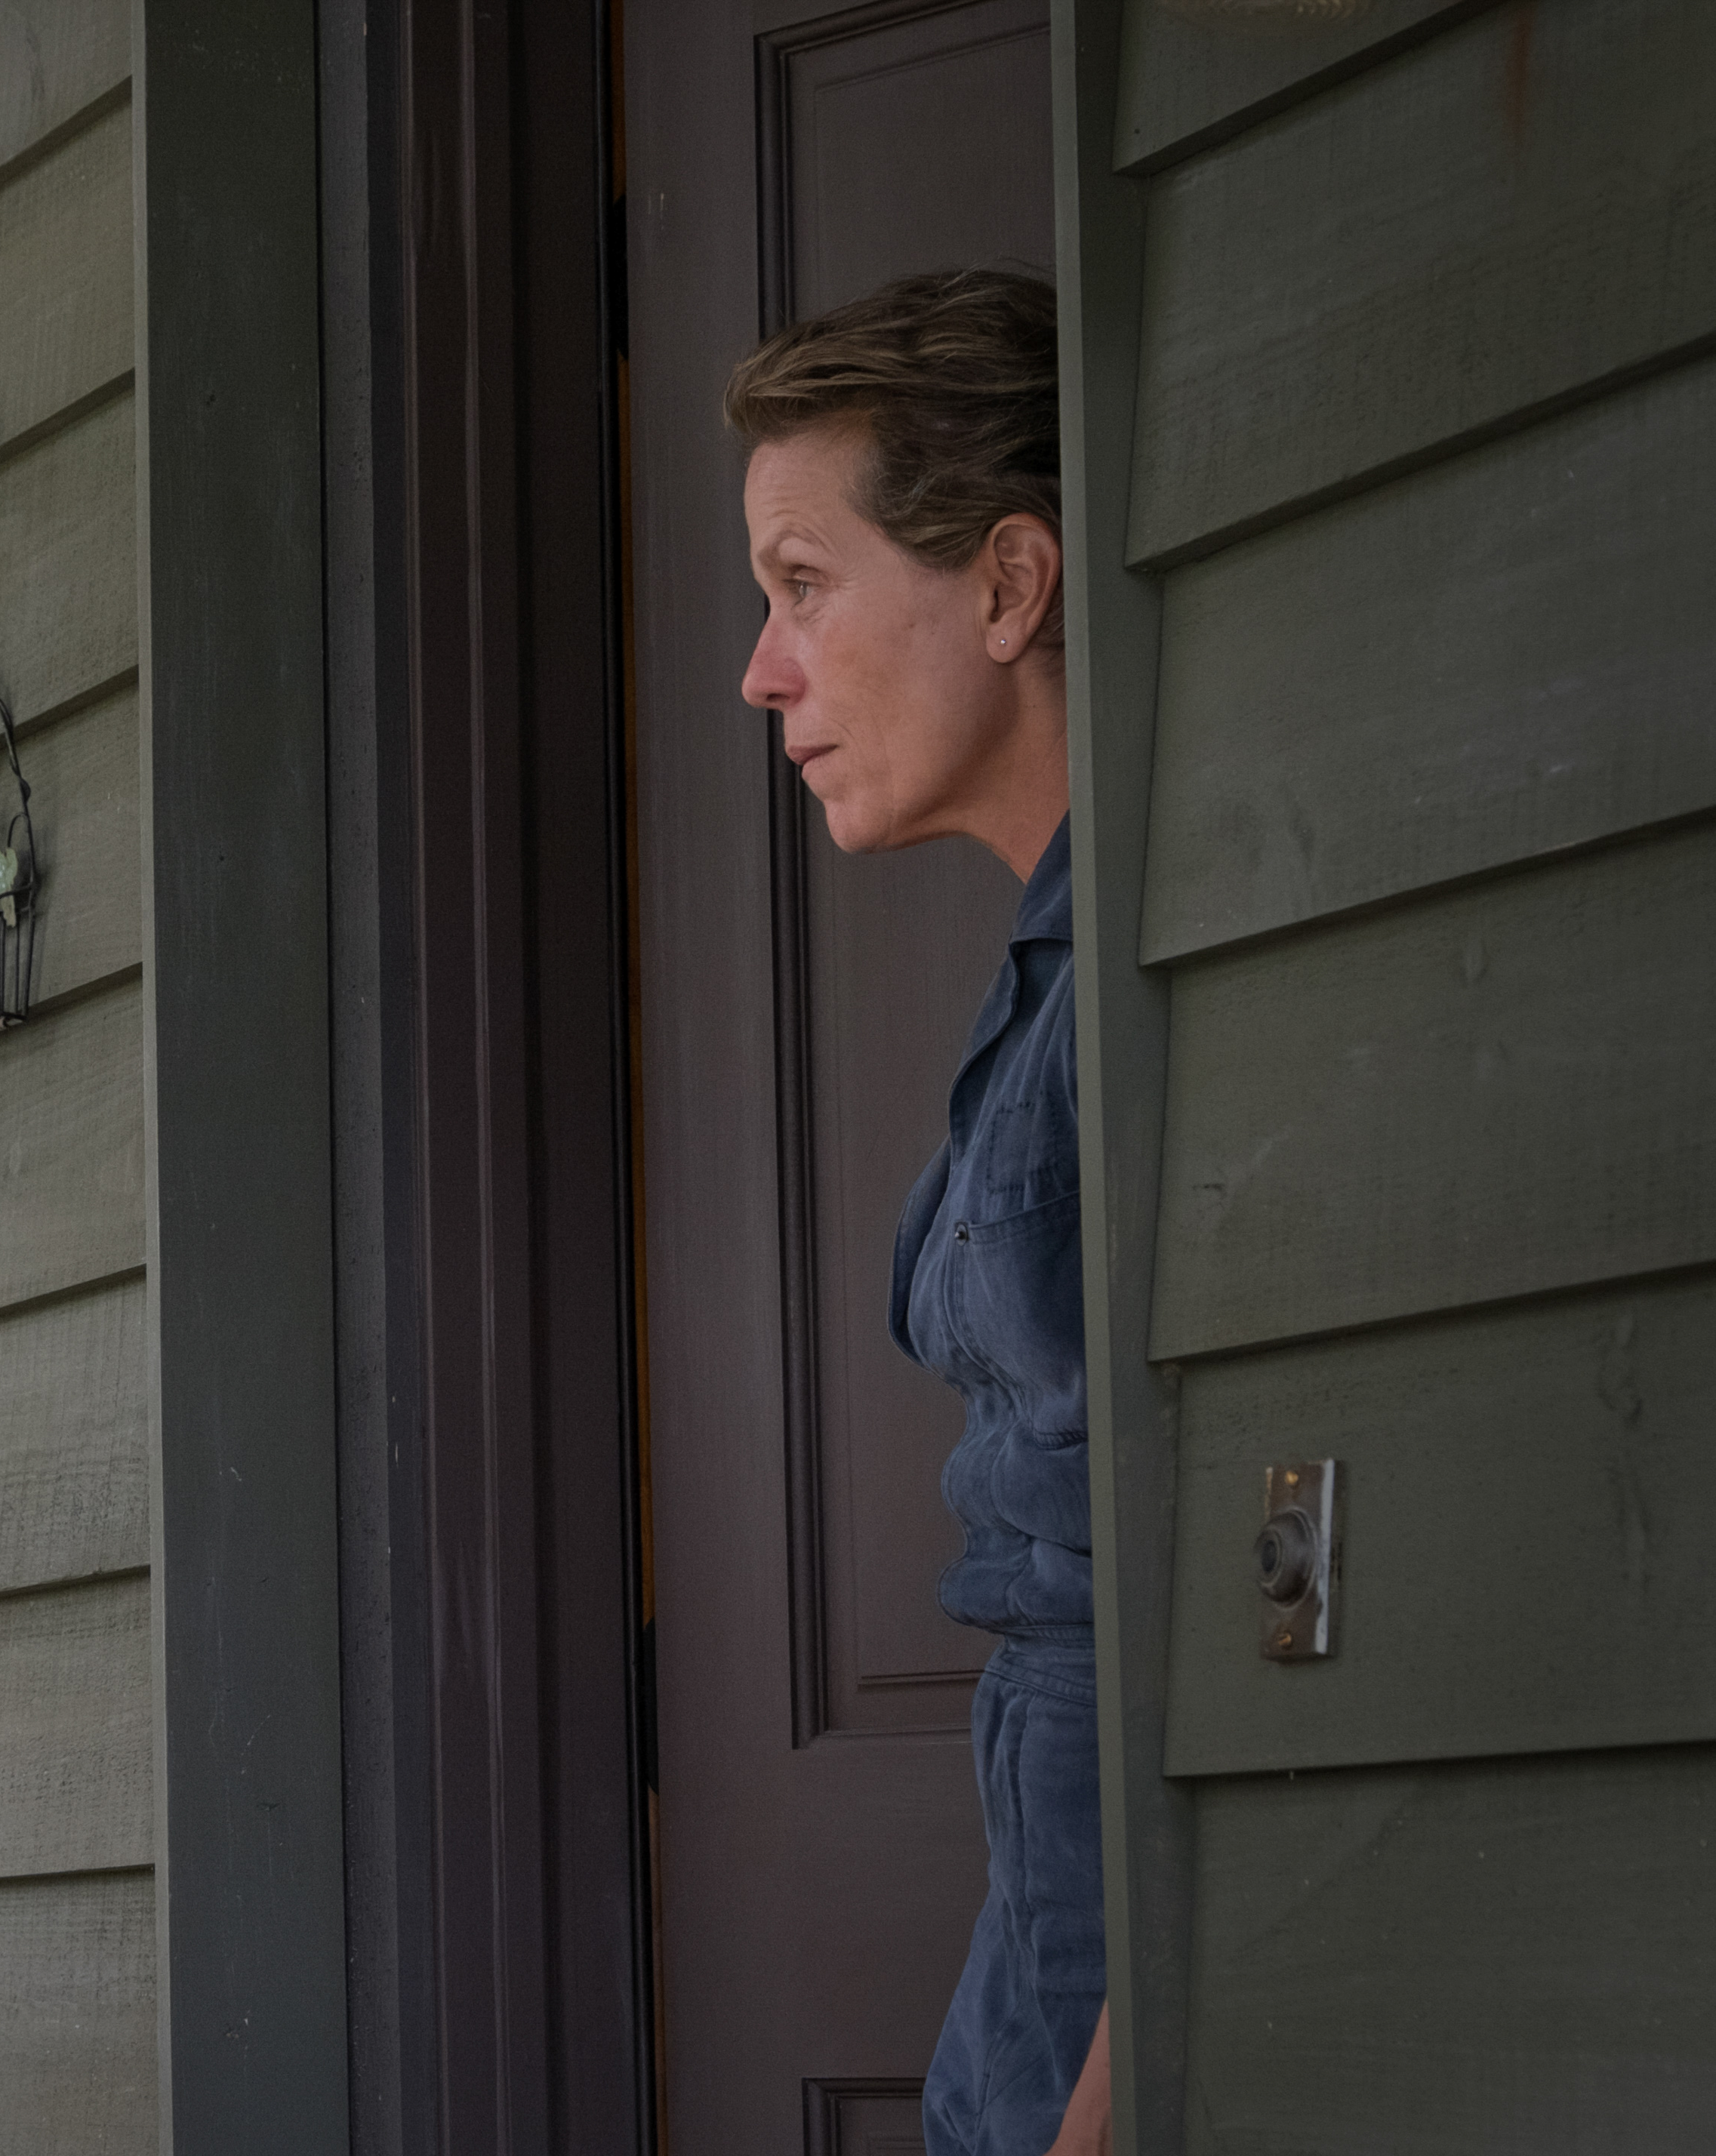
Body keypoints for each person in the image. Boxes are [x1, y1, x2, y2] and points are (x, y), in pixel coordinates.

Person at [728, 267, 1108, 2156]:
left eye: (803, 585)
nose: (761, 668)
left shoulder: (1156, 967)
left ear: (1011, 583)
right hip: (1034, 1965)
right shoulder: (1039, 982)